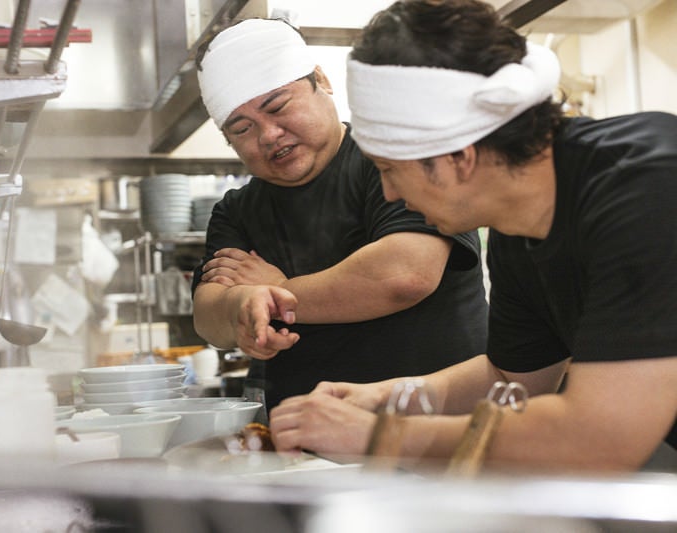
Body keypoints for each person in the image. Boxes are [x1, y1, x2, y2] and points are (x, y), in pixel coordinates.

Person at [269, 0, 677, 472]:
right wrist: (385, 399)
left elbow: (600, 438)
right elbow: (510, 378)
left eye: (388, 170)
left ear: (458, 157)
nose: (389, 192)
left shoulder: (647, 185)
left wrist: (378, 436)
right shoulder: (517, 232)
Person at [190, 17, 489, 413]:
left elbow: (403, 275)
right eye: (242, 129)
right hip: (309, 441)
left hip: (440, 428)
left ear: (321, 80)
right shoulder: (236, 209)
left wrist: (278, 295)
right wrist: (243, 305)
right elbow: (208, 315)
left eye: (278, 106)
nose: (269, 135)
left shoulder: (394, 158)